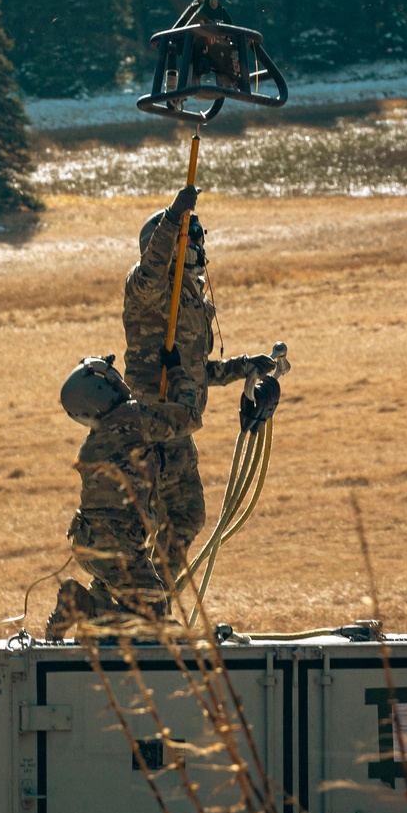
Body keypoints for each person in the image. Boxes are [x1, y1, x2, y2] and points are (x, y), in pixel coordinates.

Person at [123, 185, 280, 582]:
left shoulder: (191, 300)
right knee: (137, 528)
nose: (199, 246)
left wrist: (245, 366)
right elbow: (155, 266)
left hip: (180, 429)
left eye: (198, 238)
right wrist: (175, 214)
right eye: (189, 240)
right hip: (151, 428)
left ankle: (154, 606)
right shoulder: (148, 291)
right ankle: (121, 607)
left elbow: (197, 369)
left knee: (188, 517)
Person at [45, 351, 200, 641]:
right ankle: (79, 605)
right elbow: (189, 417)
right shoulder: (132, 417)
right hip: (118, 545)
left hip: (89, 543)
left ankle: (90, 607)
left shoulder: (94, 441)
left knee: (120, 599)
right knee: (155, 619)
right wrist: (178, 372)